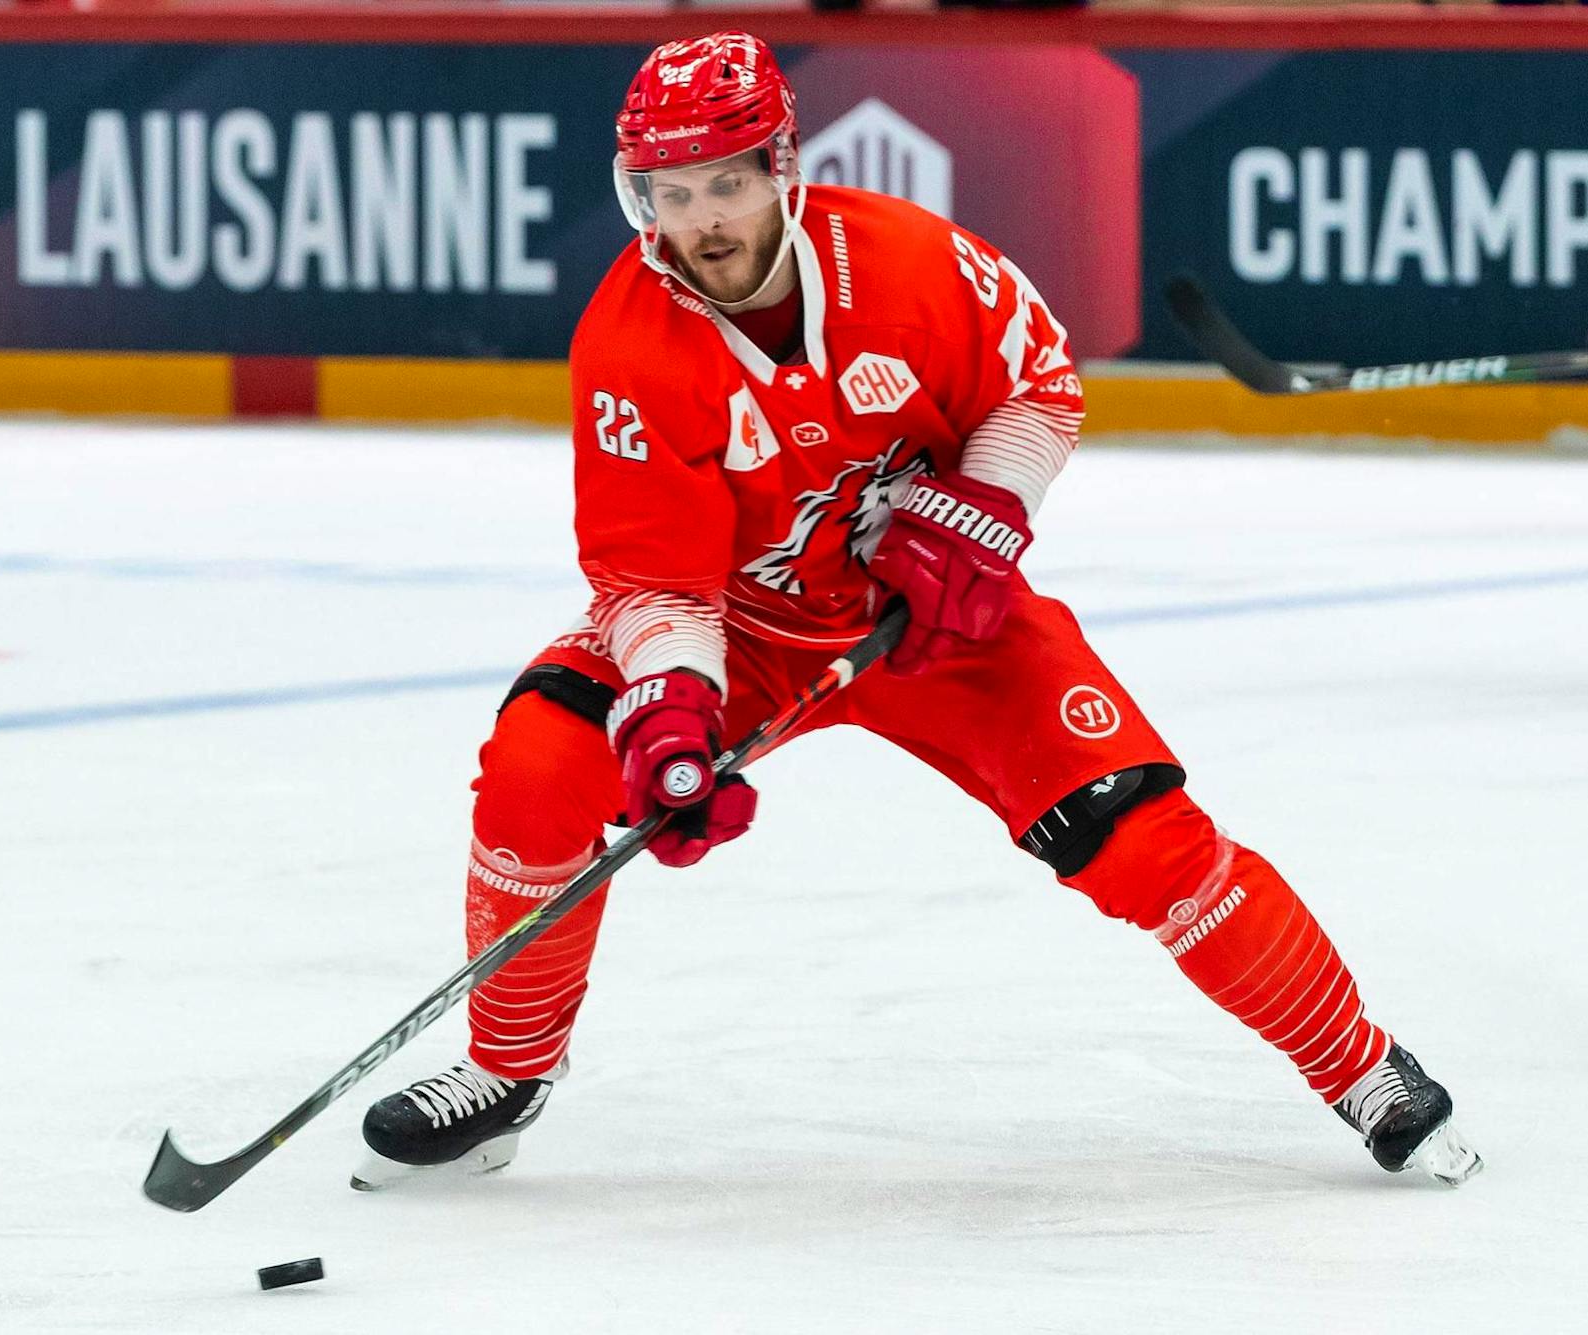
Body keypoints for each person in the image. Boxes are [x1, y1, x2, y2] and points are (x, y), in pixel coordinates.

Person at [351, 31, 1479, 1190]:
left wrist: (986, 509)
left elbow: (1038, 386)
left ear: (782, 167)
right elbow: (653, 581)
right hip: (752, 635)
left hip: (946, 626)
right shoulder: (629, 345)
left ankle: (1361, 1067)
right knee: (543, 758)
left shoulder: (908, 260)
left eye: (728, 182)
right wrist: (673, 703)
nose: (703, 221)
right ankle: (508, 1067)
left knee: (1141, 837)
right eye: (673, 191)